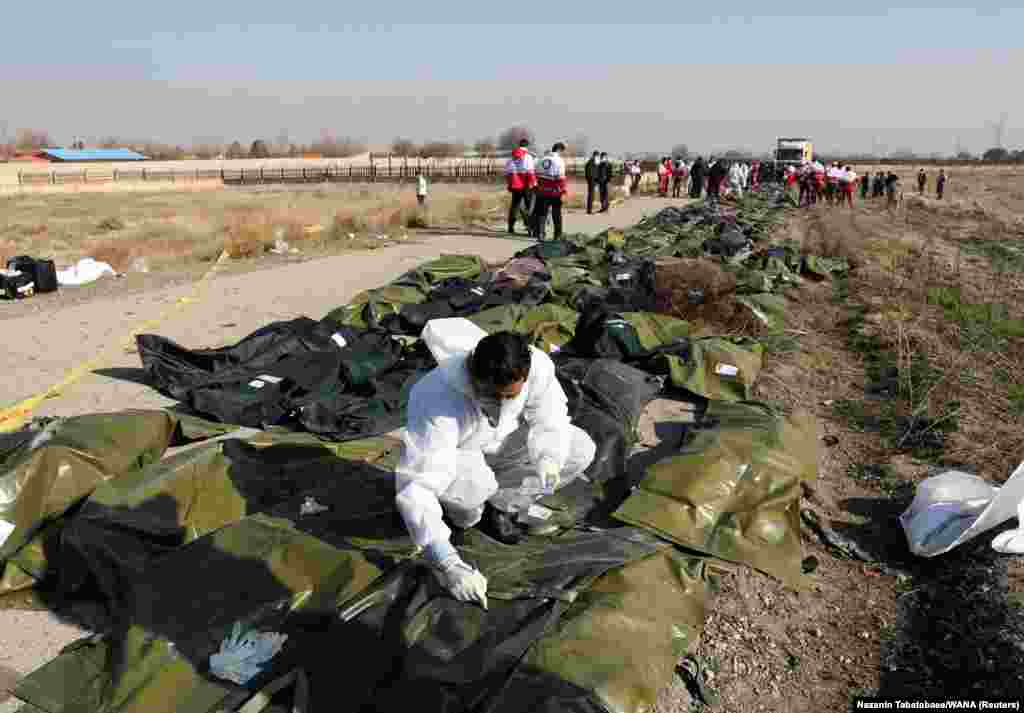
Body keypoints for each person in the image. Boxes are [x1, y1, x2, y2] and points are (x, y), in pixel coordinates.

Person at [395, 322, 597, 608]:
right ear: (473, 376)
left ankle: (501, 506)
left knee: (578, 448)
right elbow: (418, 483)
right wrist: (447, 561)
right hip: (461, 453)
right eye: (491, 395)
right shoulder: (436, 397)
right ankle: (469, 511)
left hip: (501, 440)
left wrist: (549, 458)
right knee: (472, 498)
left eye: (510, 396)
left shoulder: (536, 366)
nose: (500, 403)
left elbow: (550, 417)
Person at [532, 142, 568, 239]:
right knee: (556, 213)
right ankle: (557, 235)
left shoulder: (541, 159)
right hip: (554, 192)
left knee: (541, 213)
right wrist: (563, 190)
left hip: (542, 190)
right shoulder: (559, 160)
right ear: (559, 150)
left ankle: (540, 233)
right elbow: (561, 178)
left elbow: (535, 174)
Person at [504, 139, 536, 235]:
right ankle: (530, 228)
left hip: (515, 185)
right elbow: (530, 171)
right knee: (529, 207)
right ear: (527, 146)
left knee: (514, 206)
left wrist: (510, 184)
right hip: (526, 185)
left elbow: (507, 172)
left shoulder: (511, 158)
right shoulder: (528, 157)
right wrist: (534, 183)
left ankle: (510, 227)